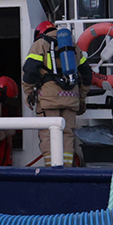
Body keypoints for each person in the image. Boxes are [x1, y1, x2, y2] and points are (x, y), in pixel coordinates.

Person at [23, 21, 91, 166]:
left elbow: (30, 71)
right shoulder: (73, 46)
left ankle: (52, 169)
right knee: (67, 134)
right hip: (71, 98)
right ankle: (67, 168)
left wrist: (28, 93)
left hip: (49, 99)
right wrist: (81, 98)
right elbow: (86, 74)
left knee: (48, 134)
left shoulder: (40, 44)